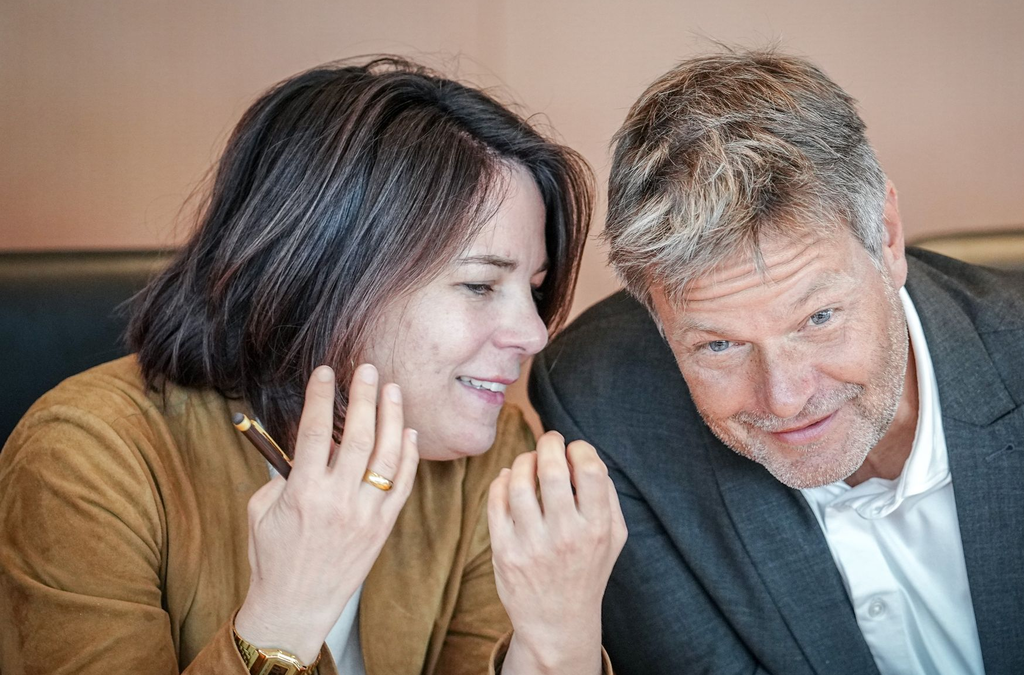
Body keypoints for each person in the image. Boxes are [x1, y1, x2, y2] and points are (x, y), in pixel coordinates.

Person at [530, 49, 1024, 674]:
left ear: (887, 238)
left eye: (819, 318)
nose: (785, 398)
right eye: (719, 345)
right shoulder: (604, 406)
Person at [0, 57, 625, 675]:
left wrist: (557, 642)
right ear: (324, 277)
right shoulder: (86, 458)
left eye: (533, 289)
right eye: (480, 285)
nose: (535, 334)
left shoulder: (487, 460)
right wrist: (286, 612)